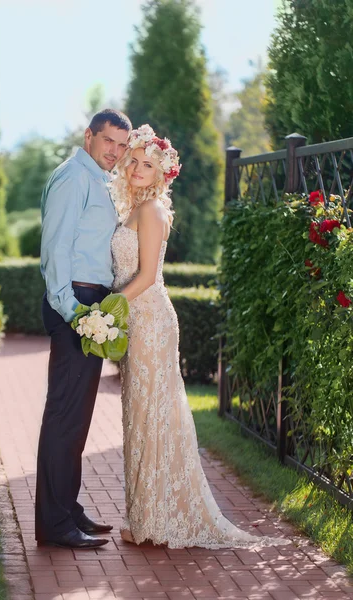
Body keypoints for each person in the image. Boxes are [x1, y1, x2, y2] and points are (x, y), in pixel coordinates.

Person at [110, 124, 290, 549]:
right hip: (134, 322)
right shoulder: (134, 207)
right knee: (140, 416)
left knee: (154, 415)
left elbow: (149, 276)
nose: (137, 168)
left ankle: (158, 519)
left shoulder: (152, 210)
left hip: (150, 322)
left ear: (161, 173)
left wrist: (107, 308)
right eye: (133, 160)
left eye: (147, 164)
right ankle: (146, 516)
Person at [35, 109, 132, 549]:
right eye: (109, 141)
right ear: (89, 136)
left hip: (89, 303)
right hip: (75, 302)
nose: (115, 151)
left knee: (77, 418)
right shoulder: (74, 177)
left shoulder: (96, 178)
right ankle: (54, 525)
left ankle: (67, 508)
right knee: (64, 417)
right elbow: (56, 246)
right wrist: (73, 309)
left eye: (122, 145)